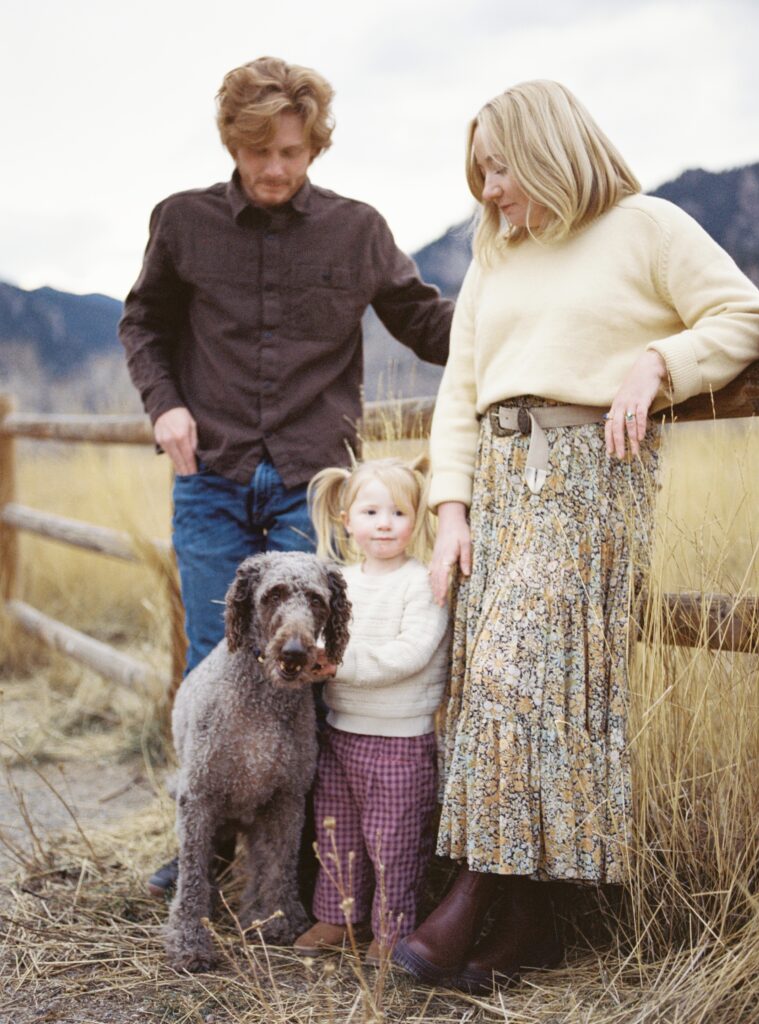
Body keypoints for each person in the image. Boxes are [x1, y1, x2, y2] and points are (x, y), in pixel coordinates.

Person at [392, 80, 759, 993]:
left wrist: (658, 362)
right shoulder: (494, 253)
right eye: (480, 171)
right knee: (513, 697)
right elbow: (459, 392)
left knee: (521, 679)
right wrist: (449, 514)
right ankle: (531, 924)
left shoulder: (648, 226)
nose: (489, 189)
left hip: (591, 479)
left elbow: (743, 312)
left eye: (502, 166)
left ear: (552, 148)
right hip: (500, 491)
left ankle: (472, 896)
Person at [118, 57, 453, 897]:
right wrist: (165, 406)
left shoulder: (359, 229)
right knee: (214, 660)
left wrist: (516, 327)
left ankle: (305, 867)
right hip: (212, 476)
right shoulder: (183, 222)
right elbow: (143, 323)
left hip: (315, 483)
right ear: (233, 140)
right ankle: (205, 852)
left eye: (293, 153)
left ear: (316, 148)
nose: (276, 169)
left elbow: (424, 320)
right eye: (260, 150)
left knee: (311, 664)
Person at [292, 457, 450, 965]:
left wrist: (338, 664)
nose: (385, 523)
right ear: (346, 518)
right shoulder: (336, 582)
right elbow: (318, 638)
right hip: (341, 732)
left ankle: (393, 929)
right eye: (372, 511)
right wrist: (309, 656)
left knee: (394, 840)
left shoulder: (423, 583)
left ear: (419, 518)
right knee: (335, 828)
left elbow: (411, 654)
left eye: (399, 513)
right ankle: (338, 917)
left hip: (400, 740)